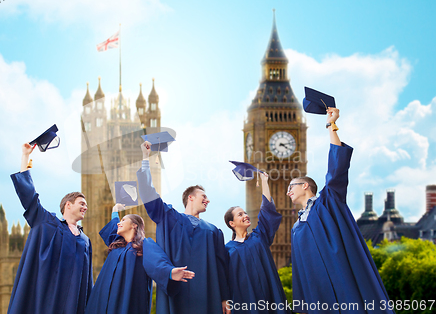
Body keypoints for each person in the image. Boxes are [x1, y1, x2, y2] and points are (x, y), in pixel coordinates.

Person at [289, 108, 394, 313]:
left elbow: (336, 171)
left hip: (342, 280)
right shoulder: (296, 228)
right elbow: (299, 269)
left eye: (291, 186)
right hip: (318, 294)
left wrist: (331, 126)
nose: (287, 192)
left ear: (305, 186)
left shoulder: (328, 203)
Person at [137, 141, 230, 314]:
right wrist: (145, 158)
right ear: (190, 198)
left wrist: (224, 298)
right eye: (204, 196)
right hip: (177, 291)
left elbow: (220, 266)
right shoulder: (169, 217)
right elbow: (148, 193)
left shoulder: (214, 232)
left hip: (207, 296)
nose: (207, 200)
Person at [8, 143, 92, 314]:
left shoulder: (85, 241)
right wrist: (25, 156)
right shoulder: (48, 223)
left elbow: (87, 281)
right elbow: (29, 197)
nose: (85, 207)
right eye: (82, 203)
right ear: (68, 205)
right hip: (44, 301)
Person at [85, 203, 195, 314]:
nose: (119, 223)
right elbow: (114, 227)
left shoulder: (143, 246)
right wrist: (114, 211)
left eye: (123, 220)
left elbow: (156, 261)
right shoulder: (117, 245)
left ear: (134, 225)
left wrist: (170, 272)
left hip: (126, 300)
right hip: (102, 300)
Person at [224, 171, 290, 314]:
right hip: (246, 302)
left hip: (270, 294)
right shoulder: (227, 250)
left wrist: (264, 182)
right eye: (240, 214)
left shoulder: (259, 236)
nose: (246, 216)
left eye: (245, 213)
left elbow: (266, 211)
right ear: (232, 223)